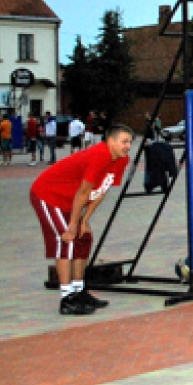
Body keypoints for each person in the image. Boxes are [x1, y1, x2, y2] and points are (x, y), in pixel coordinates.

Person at [29, 124, 133, 315]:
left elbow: (101, 191)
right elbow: (83, 193)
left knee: (83, 237)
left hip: (71, 200)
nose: (128, 146)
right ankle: (66, 299)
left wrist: (84, 220)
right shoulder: (100, 155)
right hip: (49, 195)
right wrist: (73, 224)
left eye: (130, 142)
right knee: (66, 240)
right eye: (124, 141)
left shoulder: (122, 159)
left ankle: (79, 290)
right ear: (110, 141)